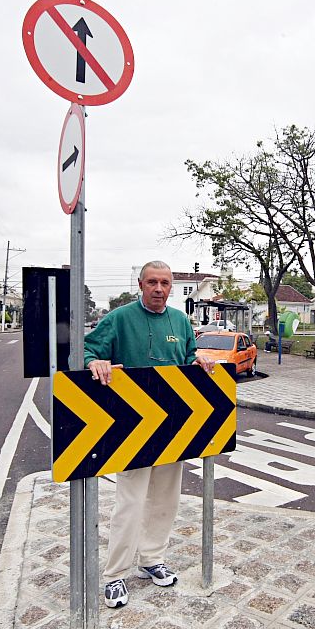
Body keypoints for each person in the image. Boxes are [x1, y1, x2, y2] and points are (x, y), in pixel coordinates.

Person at [84, 260, 215, 608]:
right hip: (131, 429)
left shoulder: (181, 321)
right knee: (130, 501)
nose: (159, 289)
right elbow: (88, 350)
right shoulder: (118, 319)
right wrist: (93, 362)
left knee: (166, 499)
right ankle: (115, 574)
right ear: (140, 284)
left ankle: (151, 559)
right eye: (152, 282)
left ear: (172, 287)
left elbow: (187, 355)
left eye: (166, 283)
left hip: (173, 427)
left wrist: (198, 359)